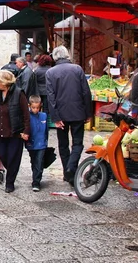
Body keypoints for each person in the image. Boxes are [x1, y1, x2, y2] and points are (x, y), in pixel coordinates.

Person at [46, 45, 92, 186]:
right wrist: (88, 112)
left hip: (61, 113)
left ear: (55, 57)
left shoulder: (50, 72)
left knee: (63, 144)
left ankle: (68, 172)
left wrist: (56, 118)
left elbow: (50, 97)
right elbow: (86, 92)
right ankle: (72, 167)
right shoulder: (77, 69)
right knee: (77, 143)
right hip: (78, 112)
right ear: (67, 55)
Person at [0, 70, 30, 193]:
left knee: (13, 158)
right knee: (2, 155)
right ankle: (11, 172)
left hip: (15, 131)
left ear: (5, 82)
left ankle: (10, 182)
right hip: (2, 130)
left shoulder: (19, 94)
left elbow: (26, 114)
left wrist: (26, 131)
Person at [26, 95, 48, 192]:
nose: (35, 110)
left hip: (42, 143)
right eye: (33, 107)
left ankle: (36, 182)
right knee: (34, 161)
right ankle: (36, 176)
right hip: (31, 144)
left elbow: (46, 130)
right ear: (29, 106)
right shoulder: (27, 116)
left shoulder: (44, 116)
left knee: (39, 162)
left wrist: (45, 141)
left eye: (37, 108)